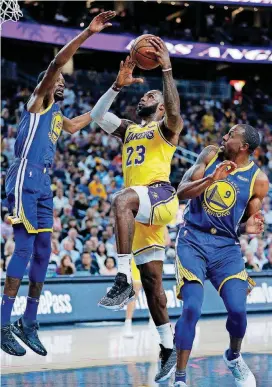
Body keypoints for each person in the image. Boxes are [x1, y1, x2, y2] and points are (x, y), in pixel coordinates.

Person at [1, 11, 116, 357]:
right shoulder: (37, 104)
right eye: (58, 81)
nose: (63, 83)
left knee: (43, 252)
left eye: (65, 82)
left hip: (45, 184)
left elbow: (87, 121)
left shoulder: (58, 118)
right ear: (47, 84)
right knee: (22, 250)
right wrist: (87, 34)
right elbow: (57, 62)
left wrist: (115, 87)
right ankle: (4, 322)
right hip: (25, 174)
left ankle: (28, 322)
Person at [91, 37, 183, 382]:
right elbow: (98, 116)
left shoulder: (165, 129)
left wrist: (166, 69)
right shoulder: (130, 130)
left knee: (121, 199)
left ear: (160, 109)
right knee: (154, 285)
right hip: (141, 214)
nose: (146, 96)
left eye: (152, 96)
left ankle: (120, 278)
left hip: (156, 196)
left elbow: (175, 112)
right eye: (146, 94)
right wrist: (117, 84)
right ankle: (167, 348)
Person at [174, 124, 269, 387]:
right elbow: (181, 192)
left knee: (238, 311)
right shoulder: (209, 155)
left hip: (226, 247)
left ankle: (233, 356)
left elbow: (247, 222)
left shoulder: (258, 180)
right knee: (192, 308)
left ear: (244, 147)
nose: (224, 137)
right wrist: (210, 180)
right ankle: (180, 379)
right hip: (193, 239)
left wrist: (250, 228)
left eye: (230, 135)